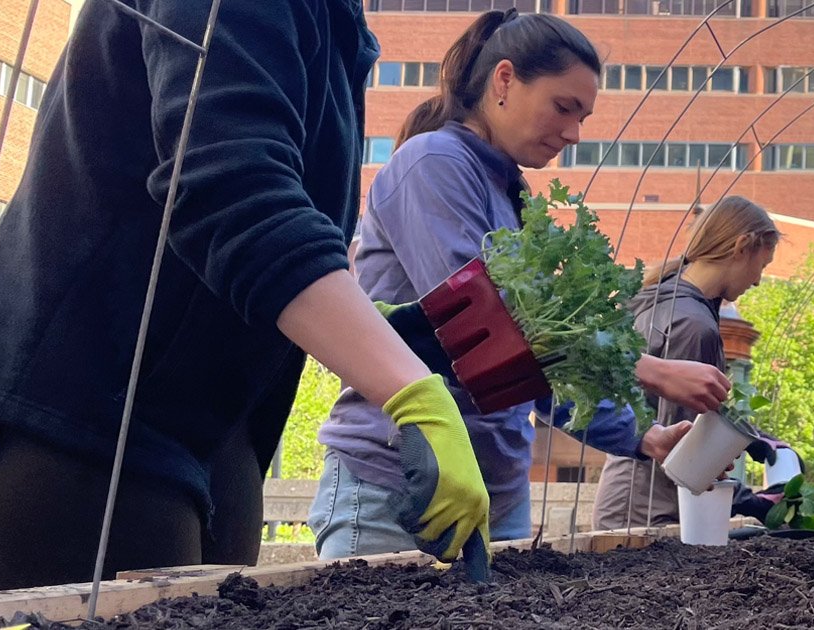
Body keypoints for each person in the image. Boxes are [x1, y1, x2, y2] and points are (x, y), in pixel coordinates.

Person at [0, 0, 490, 593]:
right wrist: (410, 391)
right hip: (73, 420)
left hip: (210, 427)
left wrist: (393, 333)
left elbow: (257, 245)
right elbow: (231, 191)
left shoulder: (334, 25)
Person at [309, 9, 730, 559]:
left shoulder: (513, 196)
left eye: (584, 116)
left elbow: (531, 366)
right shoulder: (433, 163)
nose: (574, 133)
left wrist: (642, 437)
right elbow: (486, 325)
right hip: (395, 481)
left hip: (498, 492)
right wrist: (651, 369)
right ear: (504, 79)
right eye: (564, 107)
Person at [592, 196, 805, 530]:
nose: (758, 281)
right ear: (740, 247)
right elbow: (685, 446)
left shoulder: (664, 298)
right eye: (761, 267)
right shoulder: (692, 325)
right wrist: (754, 502)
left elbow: (675, 419)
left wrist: (753, 438)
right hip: (651, 510)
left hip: (633, 500)